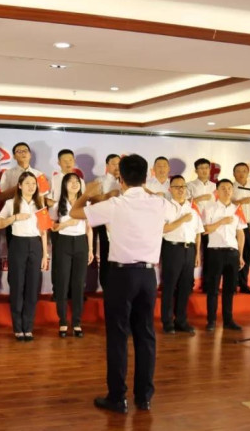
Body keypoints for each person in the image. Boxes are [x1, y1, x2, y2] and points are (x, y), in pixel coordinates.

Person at [71, 154, 174, 414]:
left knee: (118, 336)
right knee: (146, 335)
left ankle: (118, 397)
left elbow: (74, 212)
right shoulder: (159, 203)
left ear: (121, 179)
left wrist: (87, 194)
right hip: (148, 276)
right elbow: (174, 211)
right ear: (146, 177)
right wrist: (148, 191)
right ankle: (144, 397)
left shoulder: (115, 204)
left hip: (120, 275)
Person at [0, 172, 49, 341]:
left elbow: (43, 230)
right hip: (18, 244)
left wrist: (45, 254)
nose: (31, 186)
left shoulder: (40, 204)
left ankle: (28, 327)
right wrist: (15, 217)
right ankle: (18, 328)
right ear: (19, 185)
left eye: (33, 183)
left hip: (35, 245)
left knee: (32, 287)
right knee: (17, 286)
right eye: (27, 183)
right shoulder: (11, 203)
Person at [49, 173, 91, 338]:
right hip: (64, 243)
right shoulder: (57, 205)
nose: (74, 184)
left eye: (77, 181)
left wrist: (91, 249)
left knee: (79, 284)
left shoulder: (85, 204)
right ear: (64, 185)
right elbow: (52, 227)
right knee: (62, 283)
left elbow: (89, 228)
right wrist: (67, 223)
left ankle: (77, 322)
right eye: (70, 181)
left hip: (81, 243)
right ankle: (63, 322)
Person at [200, 179, 246, 332]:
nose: (227, 191)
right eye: (223, 188)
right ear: (217, 191)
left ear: (232, 191)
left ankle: (228, 320)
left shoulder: (237, 209)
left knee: (230, 289)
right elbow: (205, 229)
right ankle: (211, 320)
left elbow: (240, 233)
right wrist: (222, 221)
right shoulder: (209, 208)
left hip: (232, 252)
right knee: (213, 288)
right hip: (215, 252)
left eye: (229, 188)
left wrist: (240, 255)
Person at [160, 175, 204, 335]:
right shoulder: (165, 206)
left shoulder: (193, 208)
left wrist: (197, 253)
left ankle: (181, 320)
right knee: (169, 286)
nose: (180, 189)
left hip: (189, 250)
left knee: (185, 286)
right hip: (172, 249)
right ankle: (167, 322)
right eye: (177, 187)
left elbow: (198, 232)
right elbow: (163, 229)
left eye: (183, 186)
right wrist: (182, 219)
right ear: (170, 189)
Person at [91, 154, 121, 288]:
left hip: (123, 224)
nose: (117, 167)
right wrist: (108, 196)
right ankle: (106, 286)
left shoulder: (125, 181)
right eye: (114, 164)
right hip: (105, 223)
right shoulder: (100, 181)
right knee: (106, 255)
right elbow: (93, 199)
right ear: (107, 165)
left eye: (119, 164)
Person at [187, 158, 216, 289]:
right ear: (196, 170)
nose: (204, 170)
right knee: (192, 255)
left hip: (209, 225)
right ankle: (189, 283)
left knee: (209, 256)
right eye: (201, 168)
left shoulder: (215, 186)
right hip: (194, 225)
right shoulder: (189, 185)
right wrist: (200, 198)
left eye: (206, 168)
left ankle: (207, 284)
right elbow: (185, 202)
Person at [231, 162, 250, 294]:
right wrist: (240, 202)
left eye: (244, 171)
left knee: (247, 256)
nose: (241, 174)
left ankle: (243, 284)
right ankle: (232, 284)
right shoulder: (230, 187)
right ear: (233, 173)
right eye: (238, 171)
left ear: (248, 173)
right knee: (234, 256)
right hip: (235, 227)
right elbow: (227, 203)